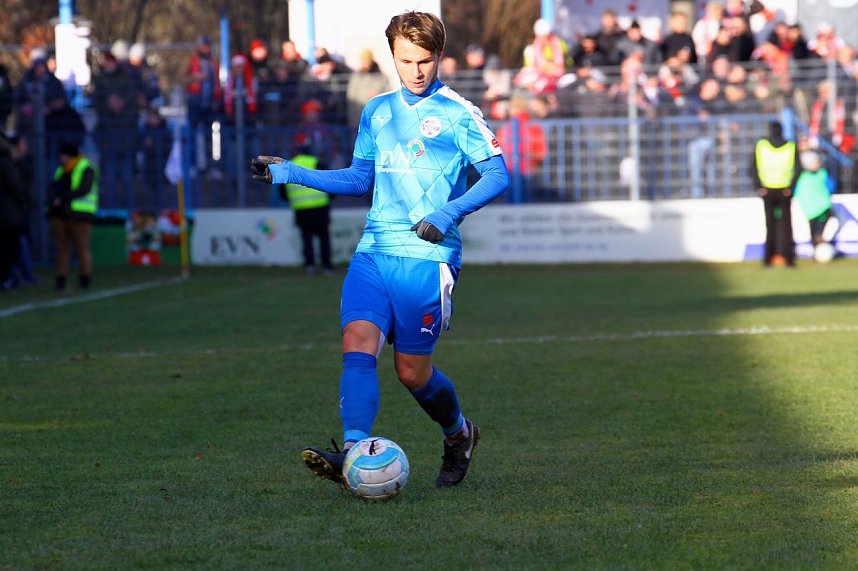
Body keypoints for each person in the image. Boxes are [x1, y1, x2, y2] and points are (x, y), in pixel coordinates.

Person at [251, 10, 509, 489]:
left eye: (425, 60)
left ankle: (459, 434)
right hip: (374, 250)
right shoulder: (376, 111)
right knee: (357, 342)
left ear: (439, 56)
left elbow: (497, 174)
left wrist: (448, 214)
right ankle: (352, 451)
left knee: (411, 373)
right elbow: (359, 178)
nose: (416, 70)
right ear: (392, 56)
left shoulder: (459, 113)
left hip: (427, 258)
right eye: (406, 60)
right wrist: (291, 172)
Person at [46, 142, 98, 291]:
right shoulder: (61, 169)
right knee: (62, 247)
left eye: (63, 156)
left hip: (79, 215)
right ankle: (61, 278)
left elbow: (83, 189)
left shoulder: (86, 168)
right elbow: (53, 186)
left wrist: (62, 198)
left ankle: (85, 278)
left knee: (81, 247)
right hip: (61, 213)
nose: (61, 159)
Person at [281, 140, 334, 275]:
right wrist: (330, 198)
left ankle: (309, 266)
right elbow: (333, 183)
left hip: (301, 209)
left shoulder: (288, 167)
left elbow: (282, 193)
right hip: (320, 207)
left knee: (306, 238)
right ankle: (327, 267)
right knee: (324, 238)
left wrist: (294, 199)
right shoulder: (318, 163)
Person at [751, 121, 799, 267]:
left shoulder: (761, 145)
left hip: (767, 189)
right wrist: (791, 187)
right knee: (786, 225)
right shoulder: (790, 145)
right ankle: (788, 259)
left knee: (770, 225)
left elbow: (752, 167)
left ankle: (768, 259)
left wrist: (759, 186)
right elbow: (798, 169)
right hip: (785, 190)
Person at [0, 133, 29, 291]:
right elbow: (14, 185)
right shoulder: (6, 161)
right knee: (10, 246)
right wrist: (24, 201)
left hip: (9, 212)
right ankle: (7, 278)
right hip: (9, 213)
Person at [794, 149, 834, 251]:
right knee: (813, 226)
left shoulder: (822, 174)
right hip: (810, 208)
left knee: (825, 217)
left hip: (821, 205)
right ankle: (815, 247)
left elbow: (831, 186)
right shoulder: (803, 177)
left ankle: (818, 238)